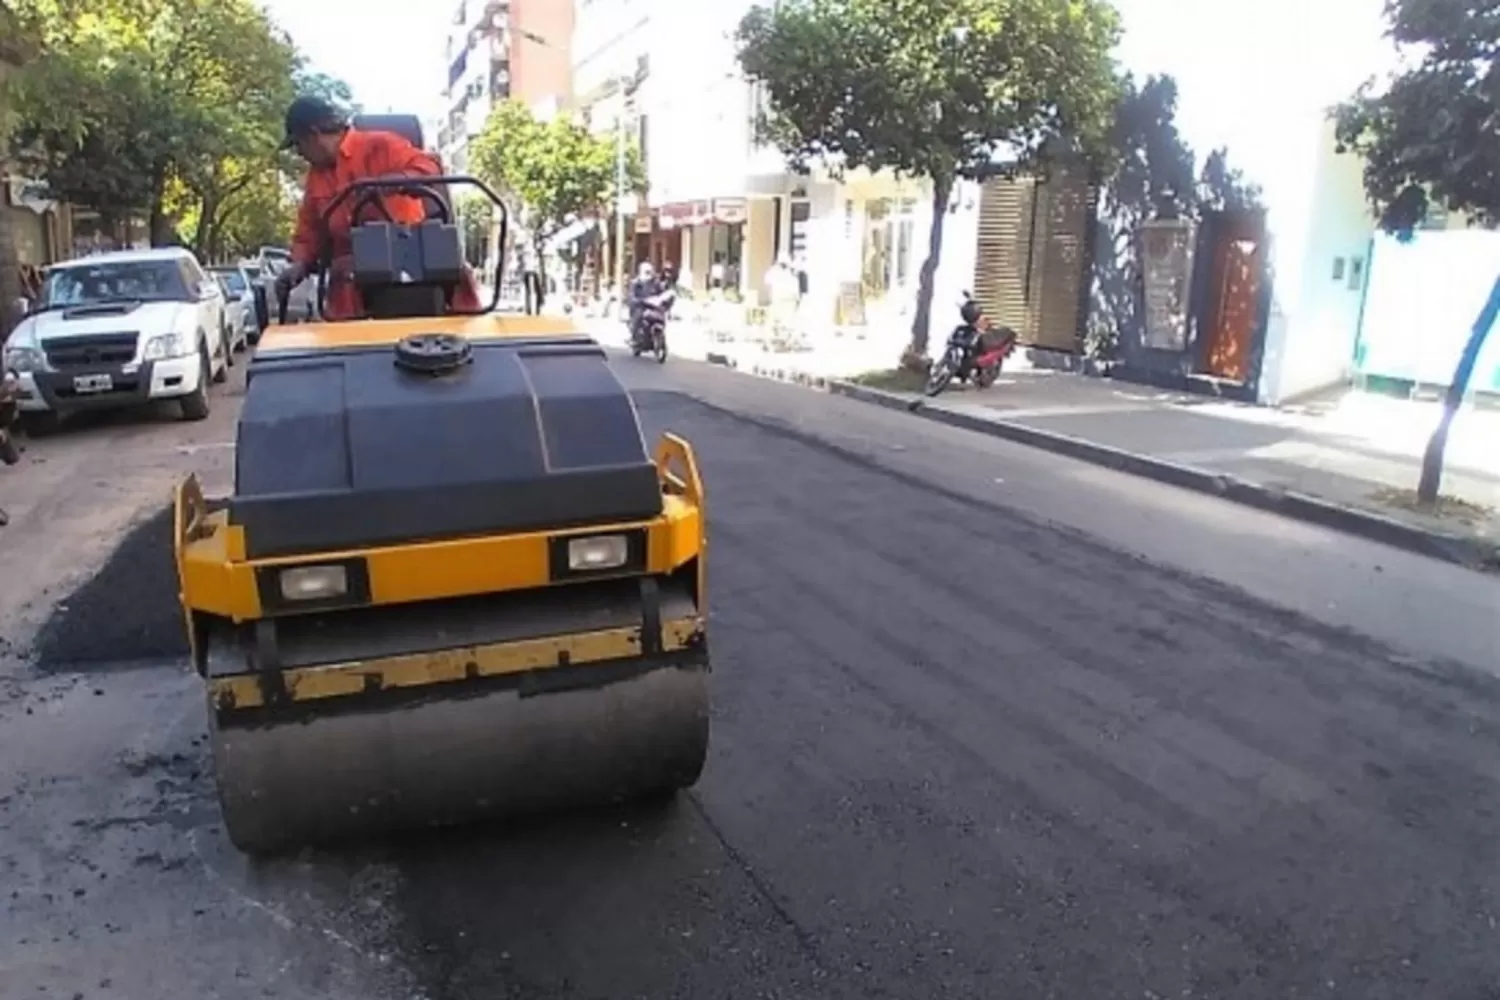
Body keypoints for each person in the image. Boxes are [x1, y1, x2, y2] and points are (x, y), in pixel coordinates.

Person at [273, 95, 482, 320]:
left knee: (454, 268)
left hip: (408, 246)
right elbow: (309, 232)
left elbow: (429, 168)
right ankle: (348, 340)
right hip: (352, 265)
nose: (299, 154)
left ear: (314, 134)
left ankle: (467, 324)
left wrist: (394, 181)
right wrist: (299, 264)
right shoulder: (316, 179)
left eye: (298, 145)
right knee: (344, 274)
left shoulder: (380, 145)